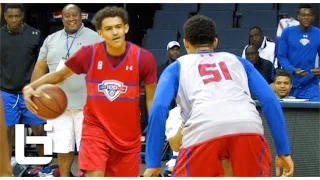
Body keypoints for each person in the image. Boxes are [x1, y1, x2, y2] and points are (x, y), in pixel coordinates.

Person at [143, 15, 294, 177]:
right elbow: (270, 100)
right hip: (248, 127)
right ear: (215, 42)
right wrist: (283, 151)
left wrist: (153, 161)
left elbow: (158, 108)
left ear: (186, 43)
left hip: (203, 129)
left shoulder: (177, 67)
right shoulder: (238, 62)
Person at [22, 6, 157, 177]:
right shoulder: (89, 53)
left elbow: (151, 100)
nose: (115, 32)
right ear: (100, 33)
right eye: (108, 28)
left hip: (127, 134)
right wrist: (30, 87)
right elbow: (59, 75)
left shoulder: (144, 58)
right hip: (95, 128)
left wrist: (154, 130)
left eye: (118, 27)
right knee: (95, 173)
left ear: (126, 28)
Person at [30, 4, 103, 177]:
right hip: (57, 106)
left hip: (87, 104)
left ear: (82, 16)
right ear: (61, 18)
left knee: (88, 150)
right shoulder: (51, 39)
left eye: (75, 15)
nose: (71, 19)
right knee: (63, 149)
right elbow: (40, 67)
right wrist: (33, 91)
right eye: (67, 16)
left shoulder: (96, 38)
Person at [0, 3, 46, 163]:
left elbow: (41, 63)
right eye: (10, 16)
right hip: (6, 91)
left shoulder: (35, 34)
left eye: (17, 16)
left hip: (30, 91)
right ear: (5, 16)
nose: (14, 20)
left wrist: (38, 86)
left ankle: (44, 167)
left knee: (39, 130)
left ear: (22, 16)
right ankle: (6, 168)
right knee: (6, 131)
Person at [164, 106, 233, 177]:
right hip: (182, 159)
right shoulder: (175, 114)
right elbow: (175, 146)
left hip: (210, 158)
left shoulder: (215, 110)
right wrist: (184, 124)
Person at [278, 3, 320, 101]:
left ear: (313, 17)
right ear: (298, 17)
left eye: (309, 15)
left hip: (310, 84)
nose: (306, 18)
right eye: (303, 15)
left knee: (316, 111)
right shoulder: (287, 32)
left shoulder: (318, 33)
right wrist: (293, 70)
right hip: (290, 84)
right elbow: (281, 56)